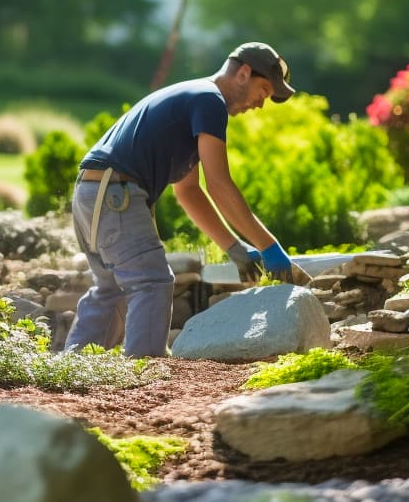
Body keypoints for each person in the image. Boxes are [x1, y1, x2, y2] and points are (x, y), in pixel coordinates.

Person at [66, 42, 299, 358]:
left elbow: (189, 191)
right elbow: (219, 184)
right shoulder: (210, 101)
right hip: (115, 194)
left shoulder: (195, 98)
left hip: (93, 192)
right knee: (152, 282)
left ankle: (73, 369)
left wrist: (234, 248)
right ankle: (143, 374)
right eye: (264, 90)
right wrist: (269, 247)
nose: (261, 104)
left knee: (112, 289)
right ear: (244, 73)